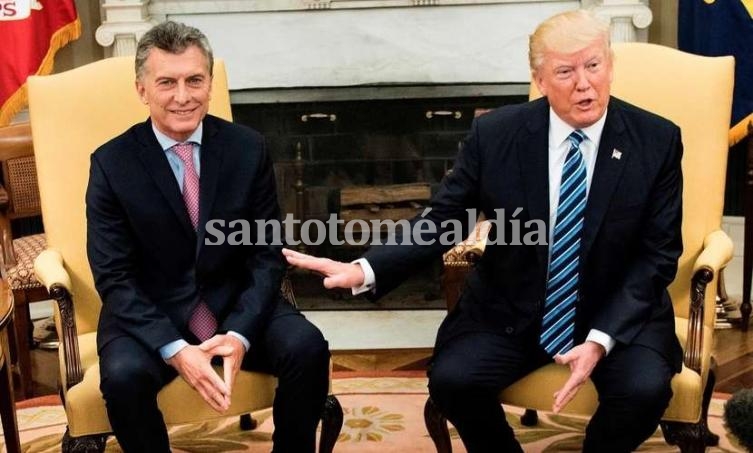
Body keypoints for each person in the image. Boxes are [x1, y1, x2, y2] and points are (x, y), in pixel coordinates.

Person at [283, 9, 683, 453]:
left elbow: (657, 255)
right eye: (566, 71)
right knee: (454, 380)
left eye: (593, 65)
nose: (584, 83)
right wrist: (366, 269)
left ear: (609, 64)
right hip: (514, 309)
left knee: (644, 390)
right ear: (539, 78)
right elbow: (444, 219)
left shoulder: (656, 140)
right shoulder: (497, 135)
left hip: (617, 313)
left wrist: (600, 339)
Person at [86, 21, 329, 453]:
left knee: (307, 347)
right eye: (167, 83)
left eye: (194, 80)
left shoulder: (247, 148)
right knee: (123, 378)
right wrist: (176, 349)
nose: (183, 96)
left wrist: (238, 334)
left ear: (211, 84)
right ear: (142, 89)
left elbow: (265, 252)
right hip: (150, 312)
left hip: (235, 302)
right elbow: (114, 276)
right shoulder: (111, 164)